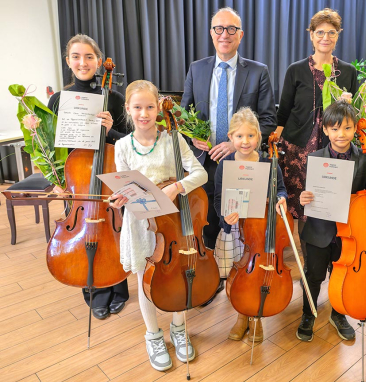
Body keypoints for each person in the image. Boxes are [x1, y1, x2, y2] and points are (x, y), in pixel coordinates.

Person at [180, 7, 276, 304]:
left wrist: (234, 145)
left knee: (240, 223)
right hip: (203, 161)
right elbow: (183, 115)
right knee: (208, 220)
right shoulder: (196, 68)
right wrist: (191, 135)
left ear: (240, 35)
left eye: (231, 29)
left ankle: (242, 280)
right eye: (219, 29)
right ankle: (210, 280)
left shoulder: (258, 71)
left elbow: (269, 120)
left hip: (242, 162)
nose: (225, 34)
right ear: (211, 33)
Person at [110, 80, 208, 371]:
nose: (144, 113)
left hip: (172, 222)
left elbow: (200, 174)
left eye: (149, 107)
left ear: (158, 109)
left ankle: (179, 329)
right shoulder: (122, 146)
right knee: (146, 278)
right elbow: (124, 185)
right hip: (141, 222)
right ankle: (153, 335)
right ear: (128, 110)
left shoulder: (172, 139)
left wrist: (177, 186)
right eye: (137, 107)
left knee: (176, 274)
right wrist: (120, 197)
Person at [47, 34, 129, 320]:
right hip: (78, 181)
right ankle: (92, 291)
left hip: (109, 182)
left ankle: (119, 288)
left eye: (89, 56)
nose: (83, 62)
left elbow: (130, 145)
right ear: (69, 61)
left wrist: (111, 131)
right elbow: (51, 147)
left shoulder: (115, 99)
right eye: (77, 57)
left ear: (98, 60)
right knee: (84, 235)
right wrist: (56, 181)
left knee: (114, 233)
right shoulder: (59, 100)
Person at [297, 100, 366, 341]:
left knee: (344, 276)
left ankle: (339, 313)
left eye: (347, 128)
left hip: (350, 232)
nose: (341, 134)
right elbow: (306, 194)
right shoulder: (314, 157)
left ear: (355, 130)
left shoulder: (365, 156)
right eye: (335, 129)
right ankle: (308, 313)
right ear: (325, 130)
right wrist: (304, 197)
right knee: (313, 275)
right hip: (320, 229)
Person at [276, 8, 357, 266]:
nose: (325, 37)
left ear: (338, 35)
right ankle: (310, 265)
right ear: (311, 35)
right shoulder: (295, 70)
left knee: (332, 205)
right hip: (298, 150)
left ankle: (335, 263)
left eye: (331, 33)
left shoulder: (348, 71)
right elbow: (284, 110)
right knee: (304, 207)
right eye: (319, 32)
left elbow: (354, 113)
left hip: (336, 147)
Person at [213, 107, 288, 343]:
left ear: (259, 136)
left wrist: (281, 199)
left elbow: (281, 190)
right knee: (238, 275)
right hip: (235, 230)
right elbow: (218, 199)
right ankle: (241, 315)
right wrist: (225, 216)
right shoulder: (225, 165)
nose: (245, 142)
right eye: (239, 136)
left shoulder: (269, 164)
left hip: (261, 231)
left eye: (251, 136)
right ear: (230, 138)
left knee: (257, 276)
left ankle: (256, 318)